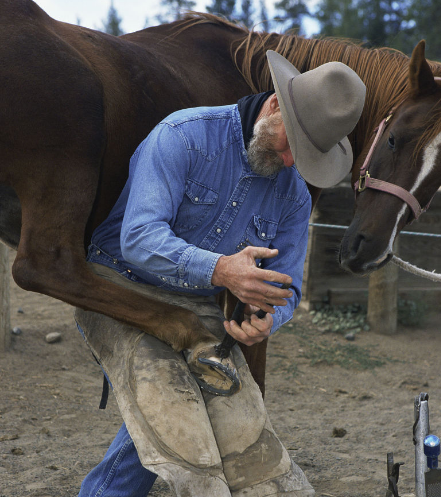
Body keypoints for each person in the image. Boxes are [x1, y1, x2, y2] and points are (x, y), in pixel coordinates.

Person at [76, 51, 366, 496]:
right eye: (292, 145)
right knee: (177, 421)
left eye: (307, 157)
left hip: (196, 307)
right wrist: (221, 269)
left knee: (249, 439)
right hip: (119, 287)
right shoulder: (183, 135)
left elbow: (286, 287)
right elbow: (137, 239)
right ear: (273, 107)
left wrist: (271, 314)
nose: (292, 163)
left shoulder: (294, 194)